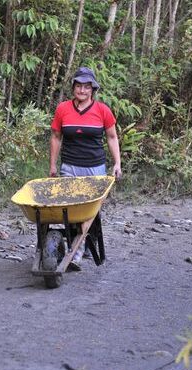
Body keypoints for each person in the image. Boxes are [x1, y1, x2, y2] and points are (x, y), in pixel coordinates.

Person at [49, 66, 122, 270]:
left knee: (88, 212)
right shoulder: (63, 109)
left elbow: (112, 137)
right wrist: (53, 165)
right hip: (69, 167)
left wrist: (117, 163)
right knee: (70, 211)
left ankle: (75, 254)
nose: (82, 90)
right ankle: (80, 245)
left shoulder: (102, 110)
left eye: (86, 87)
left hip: (95, 169)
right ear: (73, 87)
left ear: (92, 89)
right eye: (78, 86)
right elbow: (56, 137)